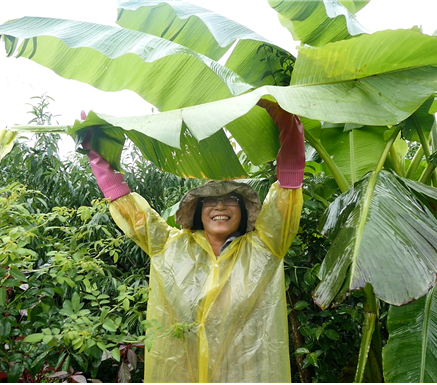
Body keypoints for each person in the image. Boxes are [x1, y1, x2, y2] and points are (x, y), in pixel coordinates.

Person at [83, 100, 305, 383]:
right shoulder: (169, 246)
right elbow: (132, 212)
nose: (220, 206)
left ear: (244, 210)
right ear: (199, 211)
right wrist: (99, 158)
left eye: (230, 200)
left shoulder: (265, 247)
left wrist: (288, 126)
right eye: (210, 201)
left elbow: (287, 196)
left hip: (246, 373)